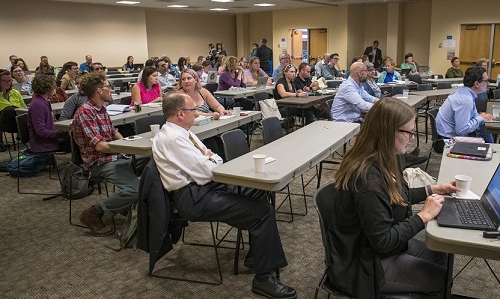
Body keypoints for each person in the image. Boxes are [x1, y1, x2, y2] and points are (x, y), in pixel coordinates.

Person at [152, 92, 297, 299]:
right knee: (263, 212)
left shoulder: (185, 132)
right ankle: (263, 279)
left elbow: (212, 159)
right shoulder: (173, 138)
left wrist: (209, 158)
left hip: (205, 188)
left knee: (257, 190)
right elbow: (206, 171)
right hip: (193, 198)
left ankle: (257, 255)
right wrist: (209, 159)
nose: (198, 114)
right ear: (181, 114)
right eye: (193, 110)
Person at [329, 97, 458, 298]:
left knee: (442, 253)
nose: (412, 138)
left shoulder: (388, 157)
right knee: (442, 277)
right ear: (388, 132)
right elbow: (383, 240)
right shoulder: (368, 180)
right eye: (409, 132)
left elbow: (397, 196)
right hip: (367, 264)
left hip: (379, 250)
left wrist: (433, 189)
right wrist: (422, 216)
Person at [72, 72, 141, 237]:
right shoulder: (85, 113)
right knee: (135, 189)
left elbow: (113, 131)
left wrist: (127, 145)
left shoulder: (101, 109)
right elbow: (101, 147)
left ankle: (125, 204)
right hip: (99, 163)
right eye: (108, 87)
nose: (111, 90)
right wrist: (126, 149)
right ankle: (94, 213)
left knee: (153, 163)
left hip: (114, 156)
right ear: (99, 90)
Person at [436, 66, 494, 149]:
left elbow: (471, 117)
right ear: (477, 84)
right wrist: (480, 118)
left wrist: (481, 117)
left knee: (483, 129)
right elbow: (462, 131)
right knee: (485, 132)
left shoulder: (465, 92)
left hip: (448, 134)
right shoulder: (465, 100)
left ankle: (494, 155)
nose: (488, 84)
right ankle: (494, 156)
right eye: (486, 81)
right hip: (448, 140)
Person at [28, 74, 69, 153]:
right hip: (44, 145)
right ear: (48, 87)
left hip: (50, 141)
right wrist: (59, 134)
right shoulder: (37, 105)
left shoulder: (45, 101)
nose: (55, 89)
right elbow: (40, 131)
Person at [0, 69, 26, 151]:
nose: (8, 83)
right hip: (3, 119)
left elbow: (23, 106)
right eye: (5, 81)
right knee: (9, 110)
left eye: (10, 80)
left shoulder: (15, 92)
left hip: (16, 117)